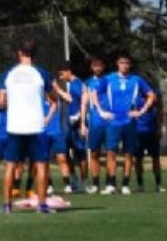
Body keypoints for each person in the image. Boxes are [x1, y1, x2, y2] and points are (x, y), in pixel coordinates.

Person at [0, 39, 58, 214]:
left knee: (10, 165)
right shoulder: (42, 73)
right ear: (35, 53)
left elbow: (1, 102)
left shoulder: (7, 74)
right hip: (36, 125)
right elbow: (53, 97)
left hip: (15, 125)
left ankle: (7, 206)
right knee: (41, 165)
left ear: (19, 52)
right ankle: (41, 205)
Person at [93, 53, 155, 195]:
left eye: (127, 63)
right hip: (113, 120)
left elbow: (151, 95)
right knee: (111, 152)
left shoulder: (137, 80)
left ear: (130, 65)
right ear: (117, 63)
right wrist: (101, 111)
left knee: (129, 154)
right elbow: (94, 93)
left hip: (129, 121)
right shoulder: (108, 79)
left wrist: (141, 110)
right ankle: (111, 184)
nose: (125, 65)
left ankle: (126, 184)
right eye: (122, 63)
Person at [52, 62, 86, 193]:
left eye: (62, 73)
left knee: (80, 153)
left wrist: (57, 89)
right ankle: (74, 180)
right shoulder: (72, 84)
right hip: (67, 125)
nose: (60, 76)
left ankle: (84, 182)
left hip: (75, 124)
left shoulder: (76, 83)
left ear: (68, 71)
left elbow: (72, 100)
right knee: (64, 153)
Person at [80, 56, 108, 194]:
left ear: (103, 67)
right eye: (95, 66)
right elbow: (84, 104)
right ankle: (96, 184)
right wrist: (82, 124)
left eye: (100, 65)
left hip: (109, 121)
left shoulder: (108, 80)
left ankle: (110, 184)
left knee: (111, 152)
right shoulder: (87, 83)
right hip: (95, 122)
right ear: (92, 68)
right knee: (95, 153)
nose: (97, 68)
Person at [134, 79, 165, 193]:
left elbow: (160, 110)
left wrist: (160, 127)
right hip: (137, 130)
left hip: (152, 129)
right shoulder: (133, 93)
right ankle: (140, 184)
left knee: (156, 158)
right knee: (138, 159)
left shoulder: (155, 92)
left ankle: (158, 184)